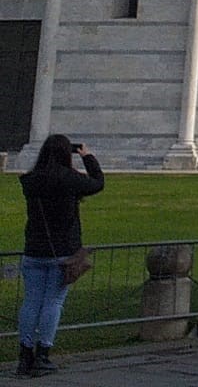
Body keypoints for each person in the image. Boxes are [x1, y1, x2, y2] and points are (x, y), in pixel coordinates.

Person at [17, 135, 104, 377]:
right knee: (53, 303)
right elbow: (98, 183)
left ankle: (25, 356)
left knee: (31, 303)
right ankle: (43, 353)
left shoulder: (30, 181)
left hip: (34, 249)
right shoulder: (70, 180)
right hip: (62, 252)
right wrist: (88, 157)